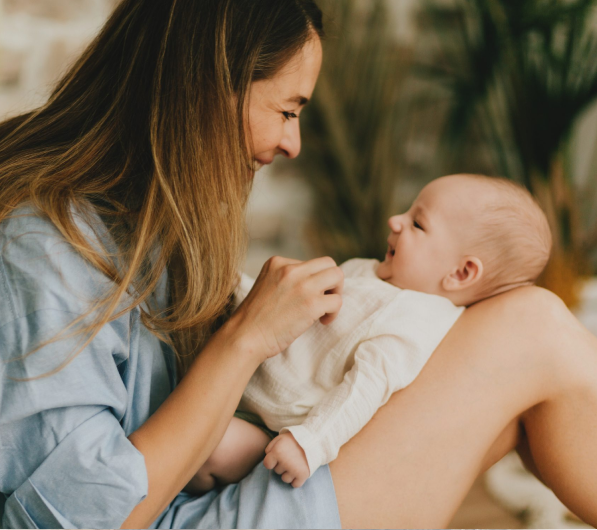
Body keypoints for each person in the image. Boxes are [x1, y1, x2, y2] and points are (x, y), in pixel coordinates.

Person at [0, 0, 597, 530]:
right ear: (210, 91)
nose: (292, 143)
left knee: (522, 366)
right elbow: (85, 518)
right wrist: (246, 338)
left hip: (214, 490)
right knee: (533, 330)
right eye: (288, 111)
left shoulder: (139, 217)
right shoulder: (40, 243)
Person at [187, 174, 552, 492]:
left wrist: (308, 443)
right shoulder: (371, 271)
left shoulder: (416, 322)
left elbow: (363, 390)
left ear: (460, 273)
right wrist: (239, 290)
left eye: (418, 224)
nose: (395, 220)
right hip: (246, 380)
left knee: (209, 450)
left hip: (278, 429)